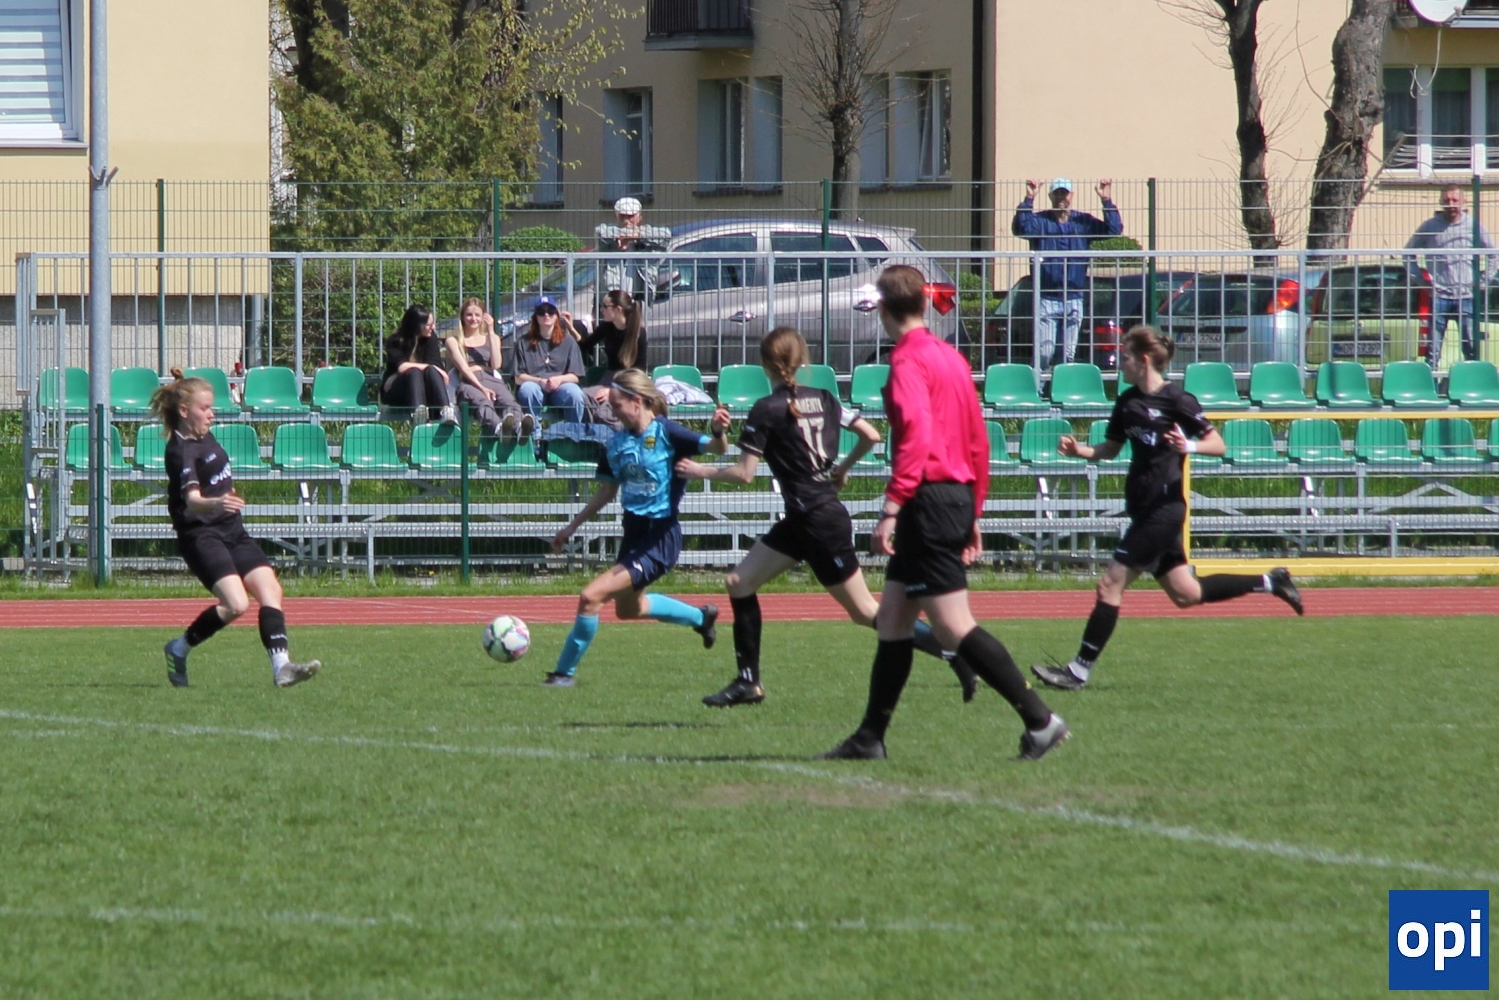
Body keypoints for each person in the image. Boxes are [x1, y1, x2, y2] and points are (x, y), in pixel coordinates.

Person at [818, 265, 1069, 762]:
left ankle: (1041, 721)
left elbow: (915, 437)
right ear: (923, 304)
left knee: (953, 625)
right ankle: (870, 738)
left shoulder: (907, 360)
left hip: (927, 500)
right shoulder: (950, 357)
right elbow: (977, 440)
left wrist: (892, 507)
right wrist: (973, 510)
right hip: (950, 497)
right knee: (893, 619)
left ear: (883, 308)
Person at [676, 326, 979, 708]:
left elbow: (744, 473)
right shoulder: (824, 398)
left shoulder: (767, 408)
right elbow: (871, 434)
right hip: (805, 517)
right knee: (738, 582)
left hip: (818, 521)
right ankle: (748, 682)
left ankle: (956, 655)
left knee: (867, 612)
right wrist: (842, 468)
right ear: (801, 360)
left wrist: (700, 471)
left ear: (765, 364)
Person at [1029, 326, 1304, 693]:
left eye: (1125, 356)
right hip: (1143, 511)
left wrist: (1188, 446)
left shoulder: (1177, 400)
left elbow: (1218, 444)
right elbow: (1111, 448)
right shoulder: (1127, 402)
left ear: (1144, 360)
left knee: (1110, 584)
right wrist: (1080, 451)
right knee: (1186, 594)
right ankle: (1271, 581)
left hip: (1164, 511)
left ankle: (1078, 671)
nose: (1120, 363)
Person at [546, 369, 730, 686]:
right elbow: (606, 492)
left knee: (590, 596)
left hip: (660, 538)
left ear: (638, 401)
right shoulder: (615, 444)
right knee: (629, 610)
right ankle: (702, 617)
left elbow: (717, 448)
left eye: (617, 405)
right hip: (633, 537)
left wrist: (718, 431)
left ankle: (563, 675)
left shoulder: (668, 432)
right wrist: (571, 527)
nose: (613, 412)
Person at [155, 370, 320, 689]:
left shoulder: (204, 436)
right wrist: (216, 502)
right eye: (205, 408)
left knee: (271, 590)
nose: (212, 414)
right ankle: (178, 649)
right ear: (185, 411)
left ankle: (282, 668)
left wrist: (222, 503)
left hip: (233, 530)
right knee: (236, 604)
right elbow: (192, 500)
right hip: (201, 536)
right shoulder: (180, 451)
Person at [1011, 177, 1124, 370]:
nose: (1061, 198)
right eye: (1057, 194)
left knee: (1067, 355)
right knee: (1044, 353)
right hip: (1047, 298)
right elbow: (1020, 228)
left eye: (1064, 193)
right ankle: (1037, 387)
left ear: (1071, 196)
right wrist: (1029, 199)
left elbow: (1113, 229)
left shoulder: (1083, 222)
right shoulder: (1040, 222)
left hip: (1074, 298)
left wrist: (1106, 200)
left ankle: (1060, 389)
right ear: (1050, 196)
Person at [1405, 183, 1496, 366]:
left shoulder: (1473, 226)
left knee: (1471, 346)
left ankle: (1472, 382)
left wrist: (1484, 280)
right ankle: (1431, 382)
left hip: (1467, 296)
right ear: (1440, 201)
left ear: (1463, 202)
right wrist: (1421, 280)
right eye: (1447, 200)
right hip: (1439, 295)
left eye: (1455, 200)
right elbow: (1407, 253)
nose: (1451, 204)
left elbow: (1494, 254)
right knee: (1433, 349)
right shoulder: (1430, 226)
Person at [444, 297, 528, 438]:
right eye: (469, 315)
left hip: (491, 378)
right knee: (482, 401)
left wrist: (490, 332)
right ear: (462, 317)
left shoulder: (492, 338)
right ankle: (498, 428)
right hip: (469, 381)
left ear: (483, 316)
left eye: (477, 315)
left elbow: (496, 365)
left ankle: (519, 426)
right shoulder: (453, 341)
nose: (473, 319)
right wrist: (482, 388)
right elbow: (464, 369)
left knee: (508, 400)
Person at [512, 296, 587, 434]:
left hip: (561, 386)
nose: (546, 315)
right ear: (535, 317)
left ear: (556, 316)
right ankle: (534, 436)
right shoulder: (523, 342)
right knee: (527, 390)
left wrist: (559, 379)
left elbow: (576, 376)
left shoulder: (568, 341)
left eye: (550, 311)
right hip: (535, 385)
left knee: (576, 394)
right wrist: (540, 381)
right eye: (541, 312)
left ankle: (572, 435)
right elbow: (518, 378)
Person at [569, 288, 649, 404]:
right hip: (610, 377)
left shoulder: (639, 333)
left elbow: (640, 371)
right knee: (584, 397)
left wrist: (613, 391)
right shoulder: (606, 327)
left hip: (630, 382)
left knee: (606, 403)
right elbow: (586, 346)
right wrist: (571, 329)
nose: (602, 310)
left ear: (618, 309)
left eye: (605, 306)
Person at [382, 304, 457, 424]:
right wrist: (425, 367)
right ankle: (418, 412)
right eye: (429, 325)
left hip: (425, 390)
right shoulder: (395, 340)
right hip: (400, 391)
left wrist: (430, 368)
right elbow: (402, 366)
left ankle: (446, 410)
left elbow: (434, 365)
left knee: (429, 370)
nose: (433, 327)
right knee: (414, 371)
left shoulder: (430, 338)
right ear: (417, 326)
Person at [596, 196, 671, 298]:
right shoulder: (609, 232)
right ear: (616, 216)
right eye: (622, 216)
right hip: (613, 296)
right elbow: (601, 233)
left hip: (640, 296)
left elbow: (666, 234)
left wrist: (637, 236)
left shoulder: (648, 233)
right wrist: (630, 235)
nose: (626, 220)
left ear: (639, 217)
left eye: (630, 216)